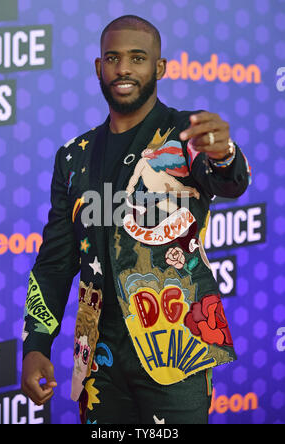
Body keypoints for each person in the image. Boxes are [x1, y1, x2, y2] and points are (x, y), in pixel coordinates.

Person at [21, 15, 251, 424]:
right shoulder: (73, 156)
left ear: (158, 68)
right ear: (98, 67)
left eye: (138, 58)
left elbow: (231, 181)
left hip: (179, 350)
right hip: (97, 361)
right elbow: (56, 260)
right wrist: (35, 344)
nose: (123, 68)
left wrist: (226, 154)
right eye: (113, 57)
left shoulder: (187, 133)